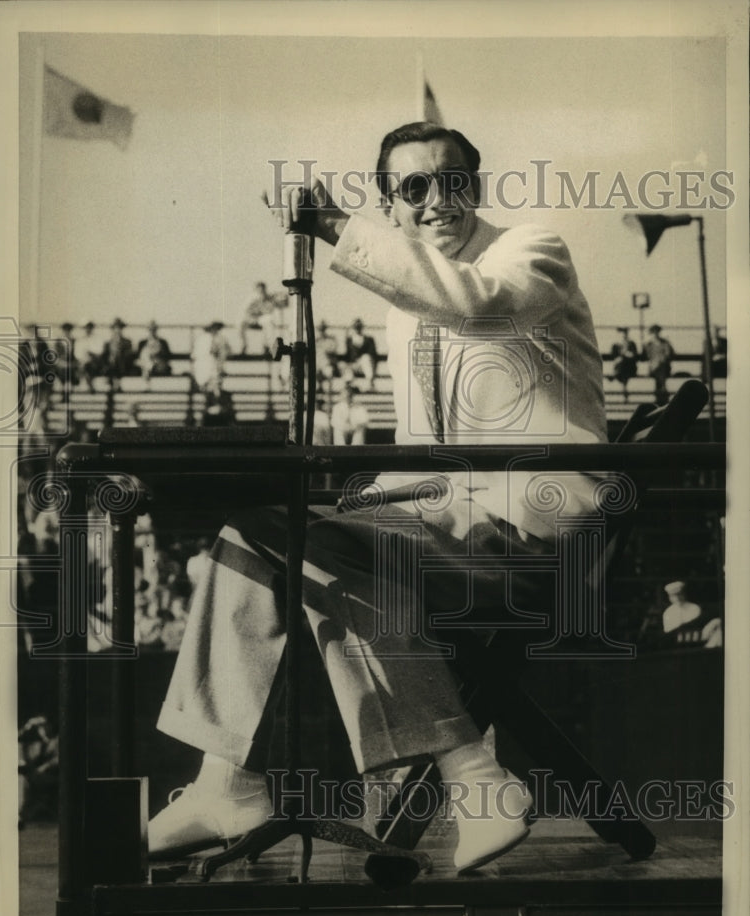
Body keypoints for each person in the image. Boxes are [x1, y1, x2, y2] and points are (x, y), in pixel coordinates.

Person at [149, 121, 609, 874]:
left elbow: (477, 304)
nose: (436, 200)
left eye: (452, 180)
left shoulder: (531, 253)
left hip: (534, 546)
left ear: (478, 185)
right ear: (391, 204)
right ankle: (222, 780)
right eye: (413, 187)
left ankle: (473, 779)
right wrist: (362, 500)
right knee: (254, 537)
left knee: (318, 545)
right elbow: (425, 460)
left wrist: (333, 226)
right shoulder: (406, 307)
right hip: (451, 534)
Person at [338, 318, 378, 390]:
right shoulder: (349, 340)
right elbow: (347, 355)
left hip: (365, 365)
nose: (357, 329)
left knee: (366, 358)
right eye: (355, 327)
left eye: (359, 327)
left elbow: (373, 354)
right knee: (344, 365)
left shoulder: (369, 339)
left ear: (362, 328)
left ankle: (370, 384)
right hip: (354, 365)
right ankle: (349, 386)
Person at [191, 321, 230, 392]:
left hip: (203, 368)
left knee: (211, 385)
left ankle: (211, 395)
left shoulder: (200, 338)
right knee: (214, 385)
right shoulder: (216, 338)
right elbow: (221, 352)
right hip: (209, 368)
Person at [98, 318, 136, 389]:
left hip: (123, 365)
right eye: (116, 328)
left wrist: (119, 354)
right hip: (110, 366)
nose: (118, 330)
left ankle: (115, 382)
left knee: (117, 360)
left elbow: (130, 355)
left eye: (119, 328)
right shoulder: (108, 343)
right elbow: (104, 356)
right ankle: (113, 383)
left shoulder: (127, 342)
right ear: (113, 330)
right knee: (109, 365)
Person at [643, 323, 674, 405]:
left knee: (661, 370)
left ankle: (661, 396)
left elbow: (668, 354)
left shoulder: (664, 342)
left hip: (663, 366)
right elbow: (647, 356)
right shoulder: (649, 344)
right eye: (653, 332)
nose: (655, 334)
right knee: (659, 374)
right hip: (654, 367)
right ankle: (662, 394)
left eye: (657, 332)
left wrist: (661, 360)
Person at [608, 326, 639, 401]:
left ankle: (614, 375)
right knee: (622, 363)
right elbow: (614, 357)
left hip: (629, 367)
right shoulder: (615, 345)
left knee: (623, 362)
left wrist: (624, 355)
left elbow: (634, 356)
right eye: (622, 333)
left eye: (625, 333)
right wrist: (624, 356)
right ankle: (624, 390)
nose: (624, 335)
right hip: (620, 367)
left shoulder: (631, 344)